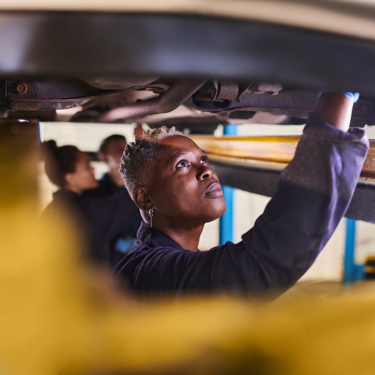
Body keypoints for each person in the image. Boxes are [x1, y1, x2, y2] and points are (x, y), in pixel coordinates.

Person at [114, 92, 369, 297]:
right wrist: (338, 97)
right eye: (182, 164)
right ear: (144, 198)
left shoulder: (154, 261)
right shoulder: (150, 273)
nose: (206, 170)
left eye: (203, 158)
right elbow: (262, 263)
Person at [40, 141, 142, 266]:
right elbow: (123, 205)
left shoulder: (52, 209)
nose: (92, 168)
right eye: (87, 166)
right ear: (70, 178)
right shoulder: (80, 210)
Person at [82, 133, 143, 264]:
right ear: (104, 158)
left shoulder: (147, 190)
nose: (126, 152)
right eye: (118, 150)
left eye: (127, 147)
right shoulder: (93, 195)